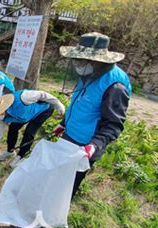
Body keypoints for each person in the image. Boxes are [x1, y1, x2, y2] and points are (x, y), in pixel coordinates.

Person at [54, 32, 132, 198]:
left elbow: (113, 124)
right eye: (78, 60)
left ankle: (56, 212)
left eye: (83, 61)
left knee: (70, 183)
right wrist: (64, 123)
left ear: (98, 61)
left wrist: (95, 144)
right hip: (70, 135)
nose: (78, 64)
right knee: (58, 174)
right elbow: (80, 102)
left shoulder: (115, 85)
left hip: (85, 146)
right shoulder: (88, 74)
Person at [0, 90, 65, 168]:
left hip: (43, 110)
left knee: (29, 132)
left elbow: (42, 94)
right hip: (23, 116)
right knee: (13, 128)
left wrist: (57, 104)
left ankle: (21, 156)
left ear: (2, 107)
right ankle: (10, 151)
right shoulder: (0, 118)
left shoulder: (23, 98)